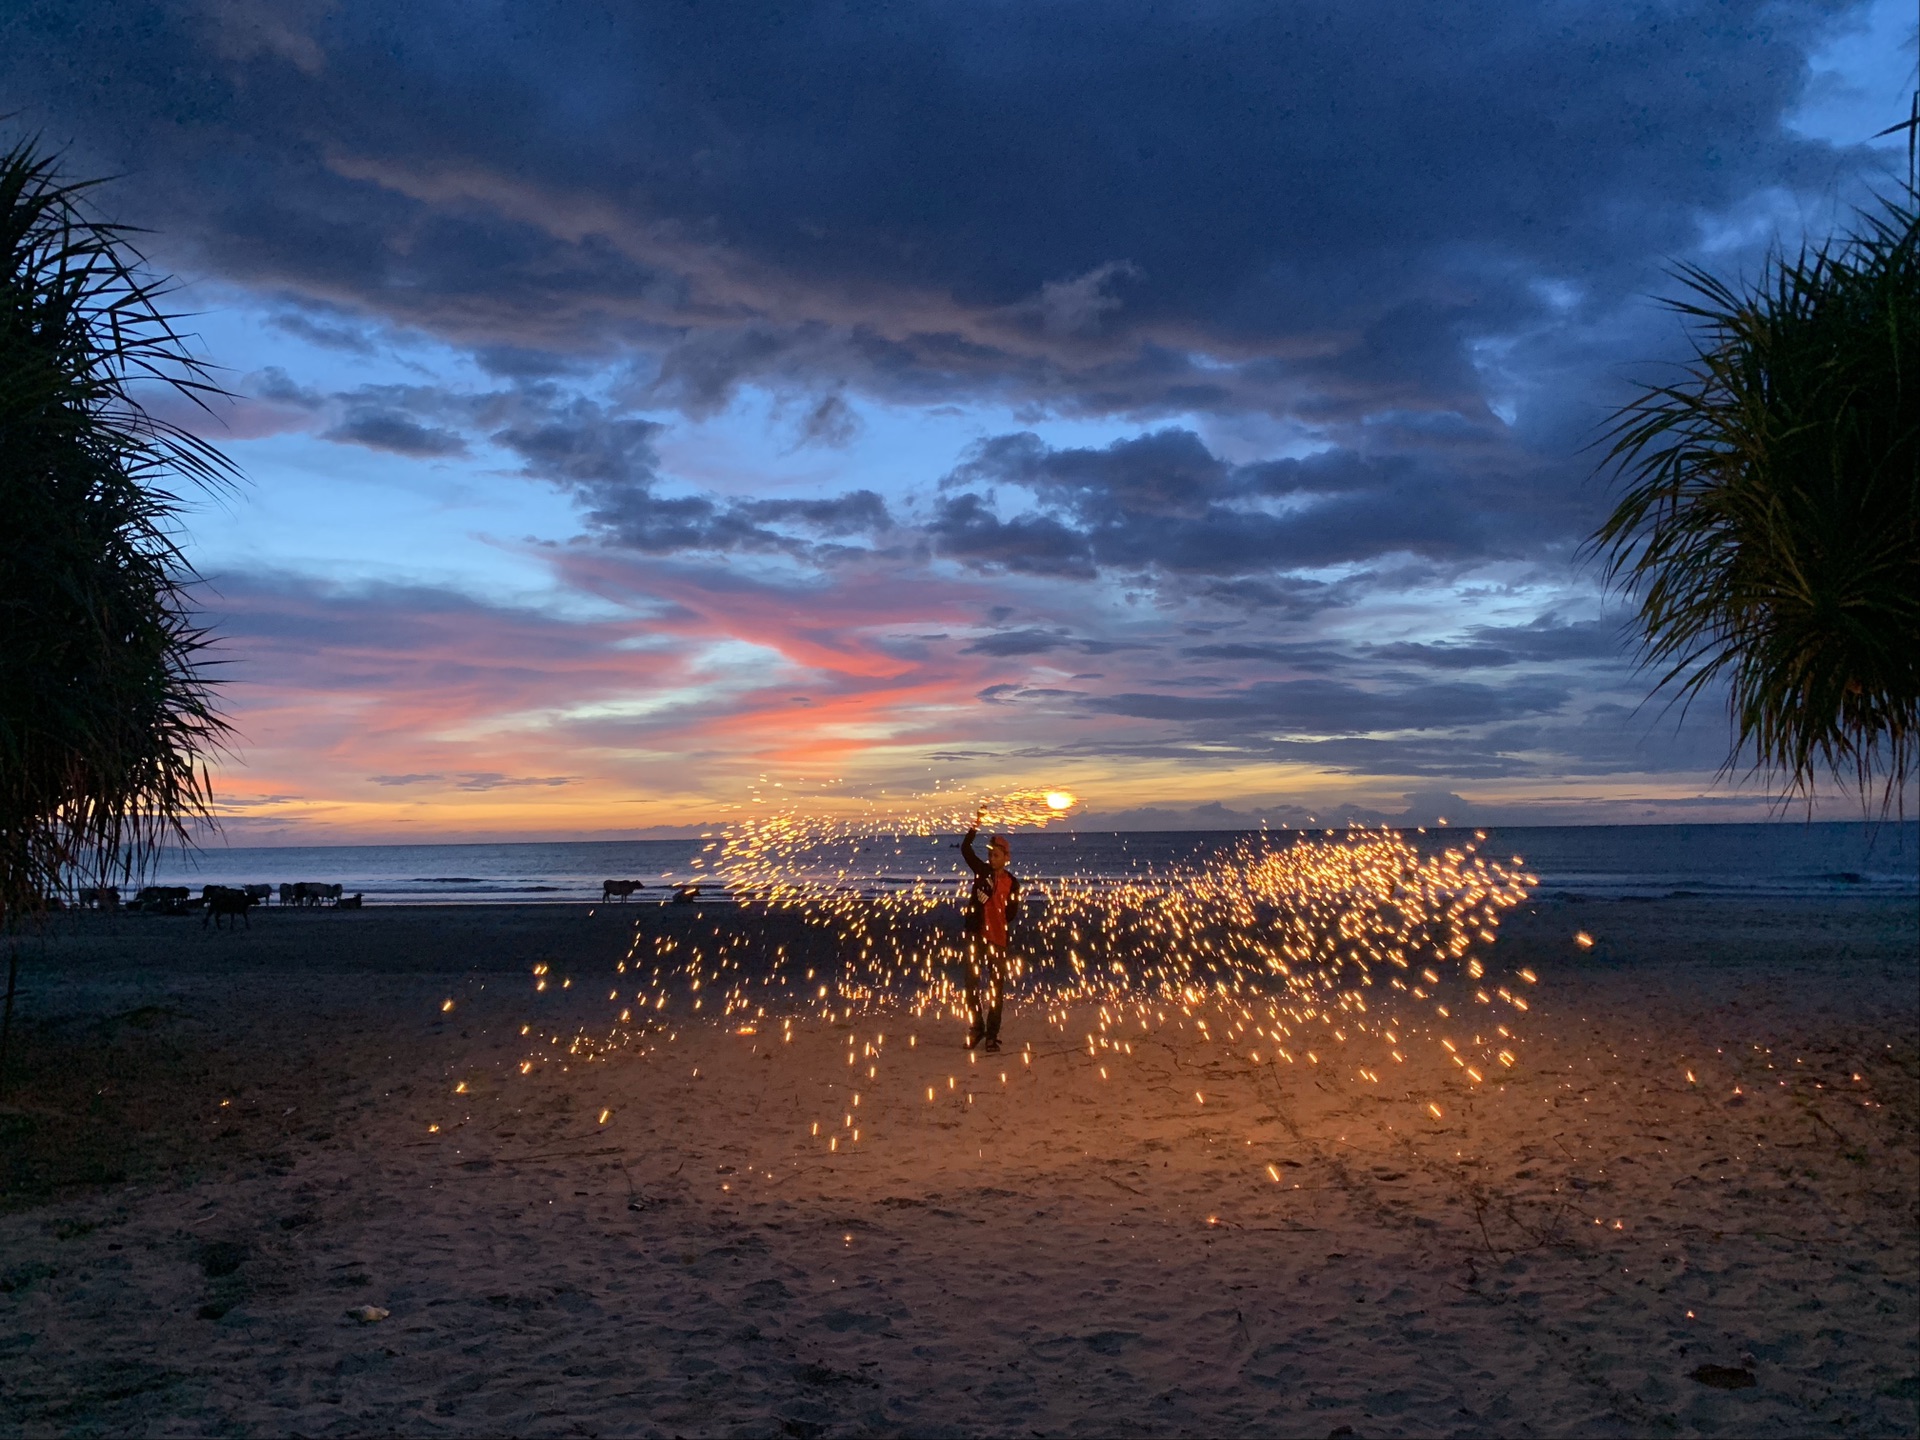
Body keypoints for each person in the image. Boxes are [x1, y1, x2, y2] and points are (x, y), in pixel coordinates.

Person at [960, 814, 1020, 1051]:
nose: (991, 858)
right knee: (970, 984)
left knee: (996, 988)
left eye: (996, 855)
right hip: (976, 936)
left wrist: (996, 909)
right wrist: (976, 824)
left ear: (1006, 858)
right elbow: (965, 849)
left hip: (998, 940)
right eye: (990, 855)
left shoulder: (1013, 883)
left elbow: (1012, 913)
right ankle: (977, 1028)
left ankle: (992, 1035)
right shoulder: (981, 872)